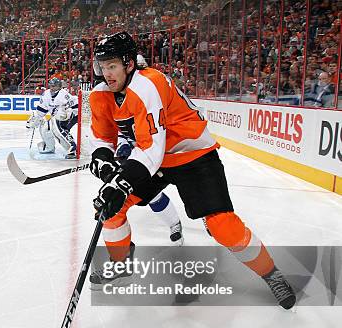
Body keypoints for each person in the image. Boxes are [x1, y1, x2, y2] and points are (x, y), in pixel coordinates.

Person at [88, 32, 296, 309]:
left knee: (224, 227)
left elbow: (151, 149)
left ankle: (271, 273)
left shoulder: (149, 84)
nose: (106, 73)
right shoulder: (101, 95)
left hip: (193, 155)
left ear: (129, 65)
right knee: (111, 211)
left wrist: (121, 181)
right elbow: (103, 137)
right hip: (157, 159)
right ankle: (121, 264)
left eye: (112, 65)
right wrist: (102, 160)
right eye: (102, 66)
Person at [26, 78, 79, 159]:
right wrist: (35, 121)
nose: (53, 88)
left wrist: (69, 113)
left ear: (59, 86)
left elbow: (75, 105)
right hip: (57, 116)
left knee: (57, 128)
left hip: (72, 114)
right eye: (51, 85)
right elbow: (41, 111)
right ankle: (49, 147)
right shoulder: (46, 95)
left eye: (55, 86)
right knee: (46, 128)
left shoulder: (64, 94)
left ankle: (73, 148)